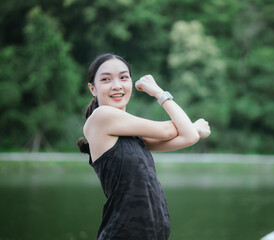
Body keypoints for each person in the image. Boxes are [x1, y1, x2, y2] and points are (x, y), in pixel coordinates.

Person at [77, 53, 211, 240]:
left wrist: (191, 128)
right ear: (93, 88)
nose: (117, 85)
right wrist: (158, 92)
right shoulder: (101, 117)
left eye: (123, 77)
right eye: (106, 79)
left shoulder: (134, 136)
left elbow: (188, 136)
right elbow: (169, 130)